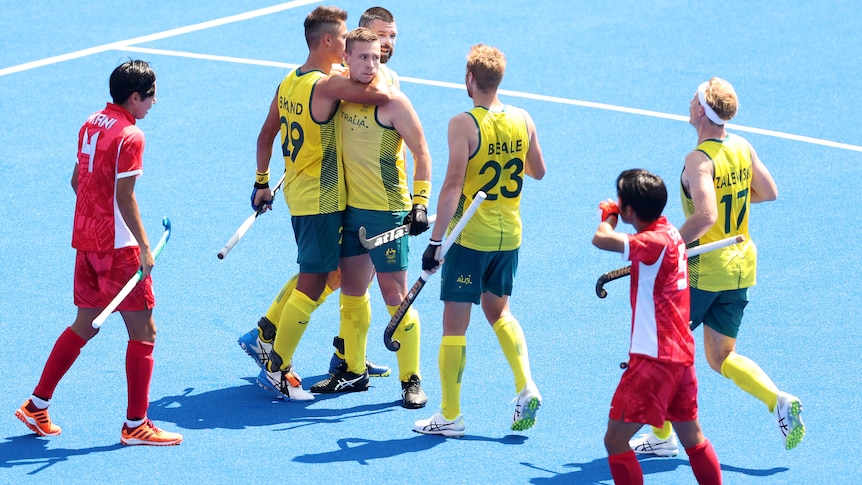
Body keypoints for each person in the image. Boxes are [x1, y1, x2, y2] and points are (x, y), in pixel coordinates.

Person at [629, 77, 805, 456]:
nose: (689, 100)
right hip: (739, 268)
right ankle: (777, 399)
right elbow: (767, 191)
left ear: (701, 112)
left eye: (694, 97)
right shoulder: (741, 146)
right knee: (720, 356)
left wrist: (665, 243)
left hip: (703, 271)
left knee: (656, 346)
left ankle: (661, 437)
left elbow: (706, 215)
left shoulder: (698, 159)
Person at [14, 60, 183, 446]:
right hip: (118, 249)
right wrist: (142, 245)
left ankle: (37, 404)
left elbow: (78, 180)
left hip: (86, 241)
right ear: (135, 97)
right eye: (152, 95)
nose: (155, 102)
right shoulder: (131, 135)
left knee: (85, 324)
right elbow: (125, 196)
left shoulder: (92, 122)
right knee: (144, 331)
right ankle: (136, 424)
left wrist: (97, 223)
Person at [237, 6, 403, 382]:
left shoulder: (292, 81)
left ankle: (346, 356)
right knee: (319, 276)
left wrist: (262, 181)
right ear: (335, 41)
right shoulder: (331, 84)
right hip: (326, 197)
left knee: (335, 274)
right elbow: (378, 93)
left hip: (309, 191)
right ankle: (271, 346)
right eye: (371, 41)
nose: (383, 46)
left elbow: (267, 133)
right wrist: (363, 72)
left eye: (390, 39)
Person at [413, 44, 546, 437]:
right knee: (499, 312)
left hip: (469, 239)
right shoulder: (523, 118)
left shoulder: (463, 123)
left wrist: (437, 242)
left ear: (470, 79)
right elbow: (538, 170)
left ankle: (450, 415)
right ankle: (526, 385)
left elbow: (453, 184)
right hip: (509, 236)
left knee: (454, 327)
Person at [307, 28, 431, 409]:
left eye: (376, 58)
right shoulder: (341, 96)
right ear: (346, 58)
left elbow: (422, 153)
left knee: (395, 296)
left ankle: (411, 380)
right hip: (350, 211)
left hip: (388, 213)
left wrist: (420, 203)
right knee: (351, 293)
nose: (370, 64)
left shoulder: (393, 102)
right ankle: (353, 371)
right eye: (363, 57)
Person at [592, 169, 722, 485]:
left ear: (629, 210)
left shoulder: (650, 243)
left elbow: (601, 239)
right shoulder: (673, 235)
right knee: (693, 438)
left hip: (655, 360)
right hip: (681, 356)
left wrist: (609, 216)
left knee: (615, 441)